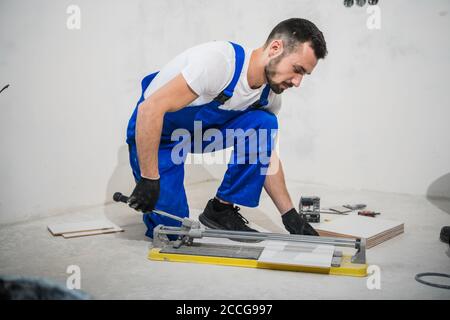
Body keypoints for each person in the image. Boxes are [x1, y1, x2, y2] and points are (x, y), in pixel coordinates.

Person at [125, 18, 327, 239]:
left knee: (264, 123)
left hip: (199, 133)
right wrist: (149, 178)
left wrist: (289, 215)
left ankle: (221, 210)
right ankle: (161, 196)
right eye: (296, 69)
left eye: (303, 75)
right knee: (172, 232)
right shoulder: (219, 63)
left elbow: (265, 154)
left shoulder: (269, 97)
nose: (297, 82)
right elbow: (149, 110)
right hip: (158, 134)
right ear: (275, 48)